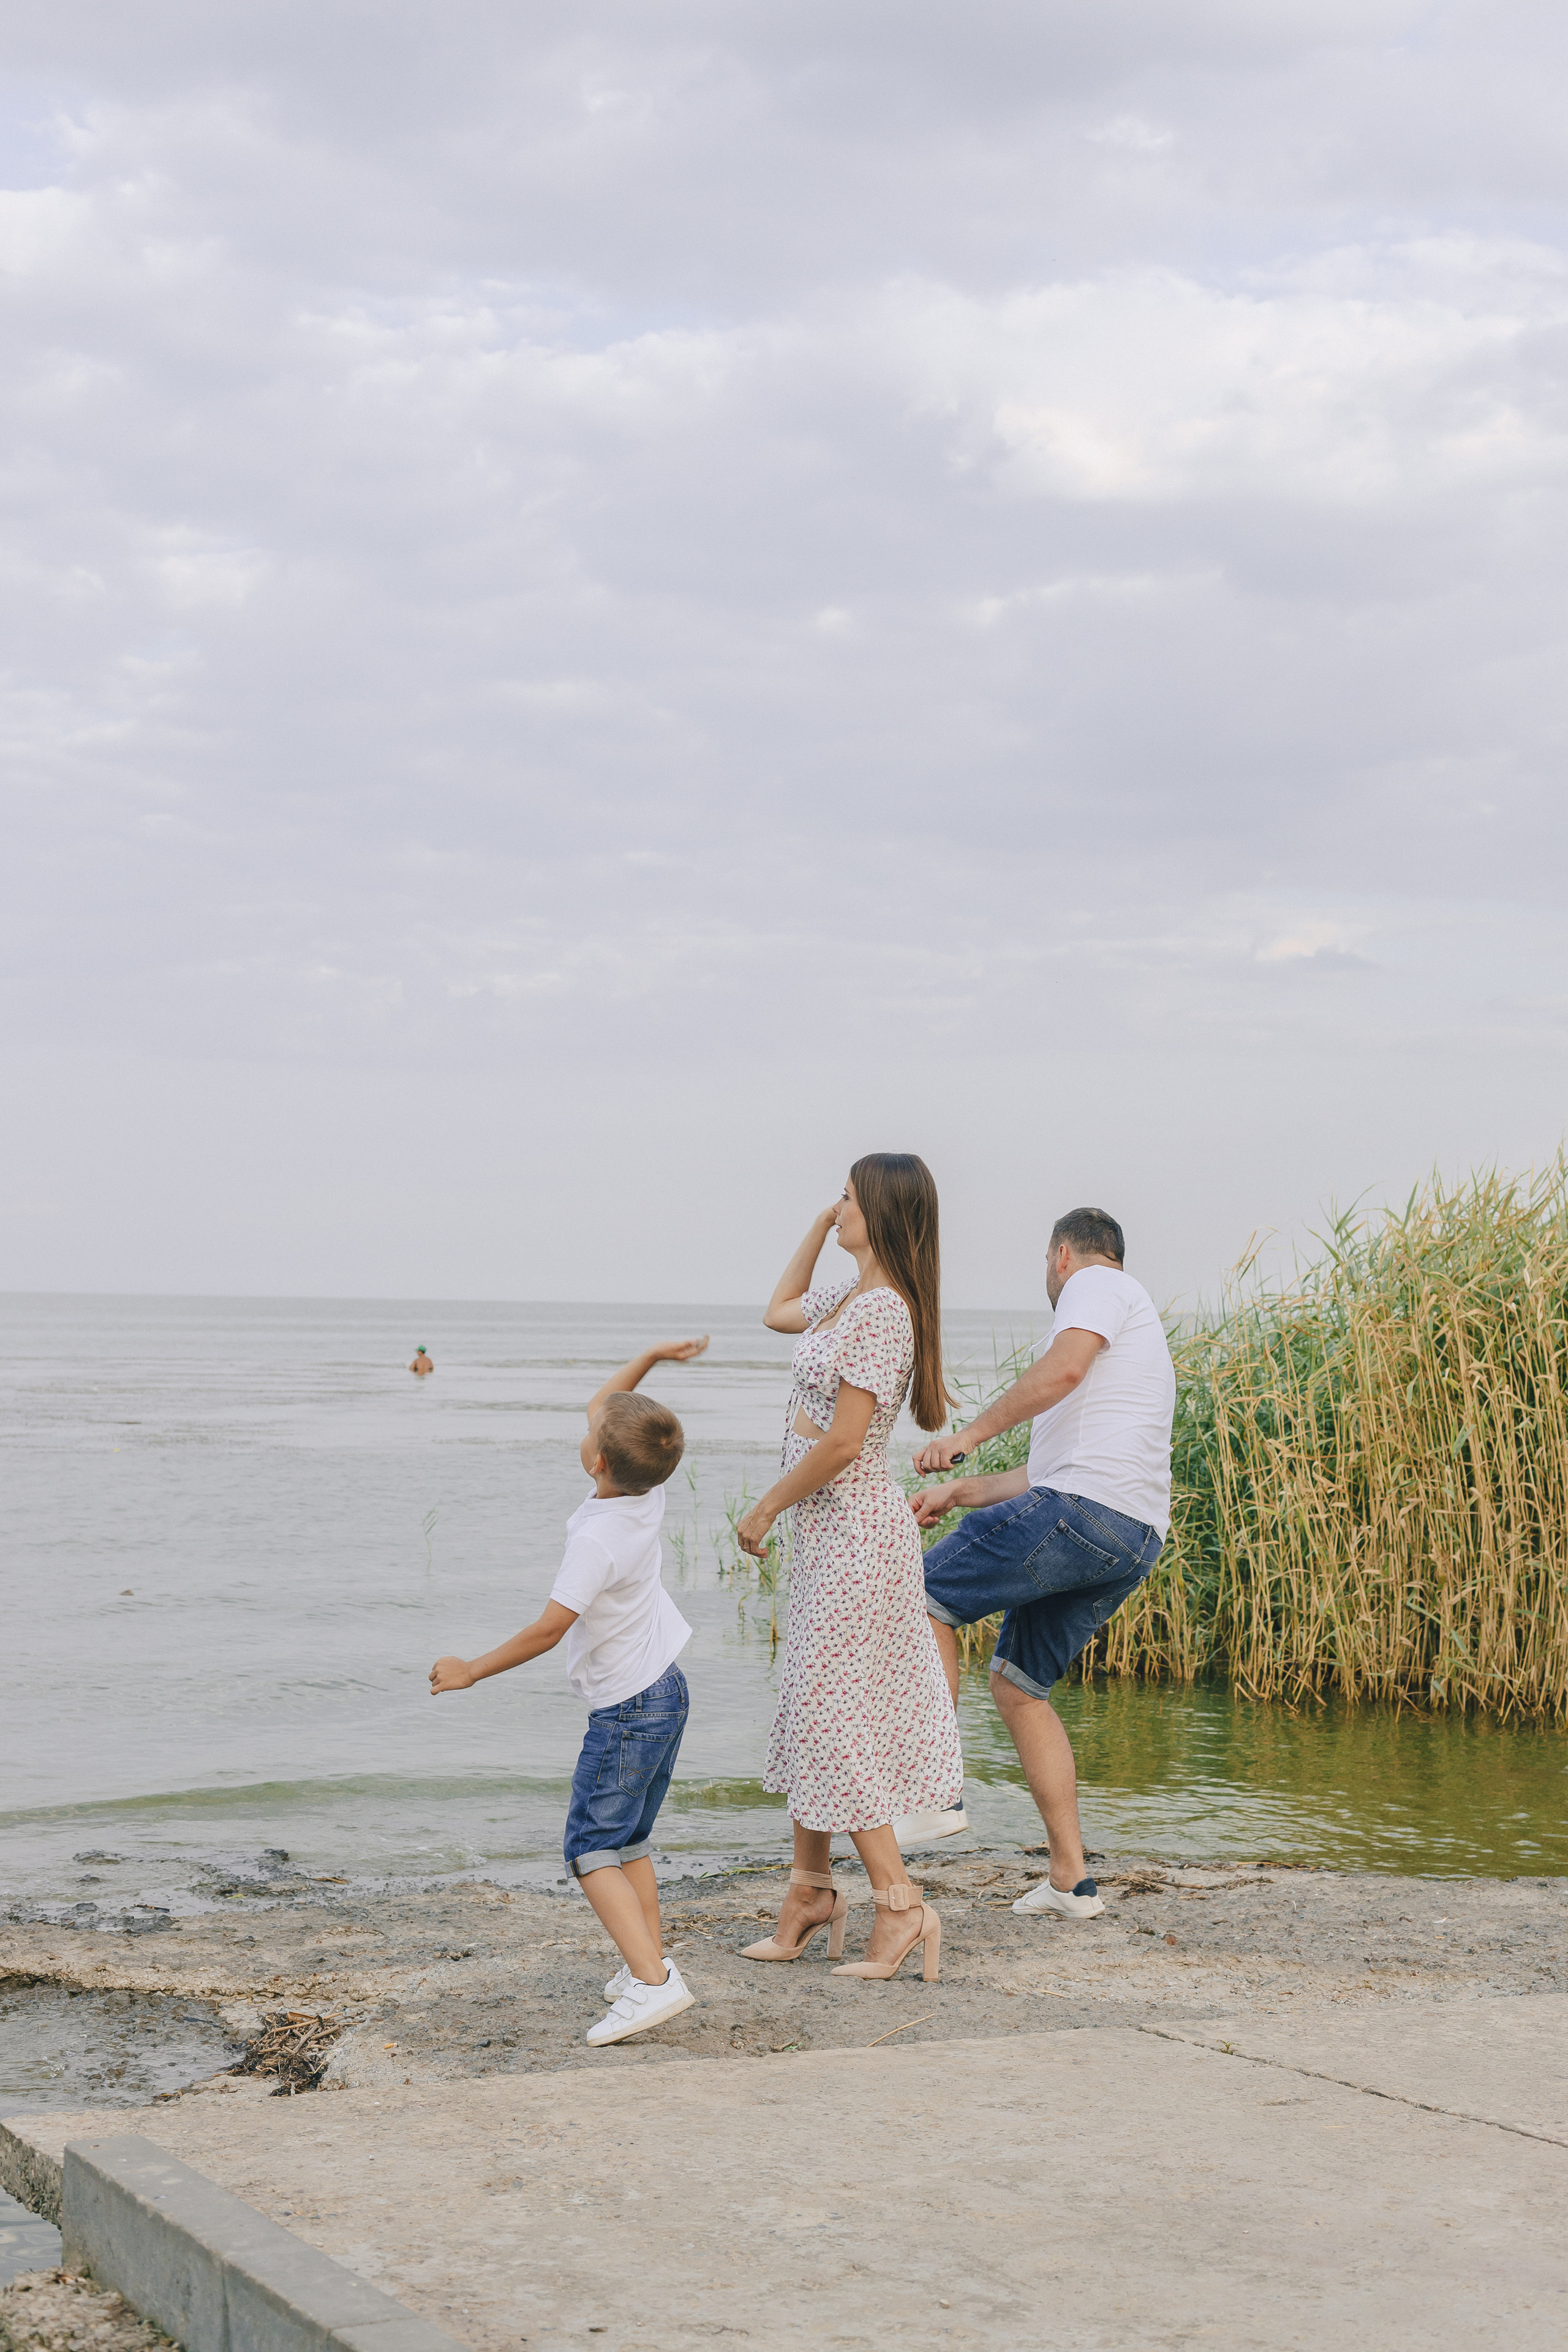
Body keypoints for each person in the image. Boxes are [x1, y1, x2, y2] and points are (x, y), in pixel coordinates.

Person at [429, 1333, 710, 2045]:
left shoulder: (597, 1540)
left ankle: (653, 1982)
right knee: (633, 1841)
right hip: (665, 1690)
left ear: (599, 1460)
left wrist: (471, 1670)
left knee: (590, 1846)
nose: (586, 1426)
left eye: (591, 1432)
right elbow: (606, 1404)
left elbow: (548, 1630)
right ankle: (644, 1962)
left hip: (628, 1710)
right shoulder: (647, 1491)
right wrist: (651, 1356)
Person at [911, 1208, 1175, 1922]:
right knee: (1020, 1685)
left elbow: (1060, 1371)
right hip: (1130, 1534)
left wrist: (966, 1435)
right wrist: (957, 1492)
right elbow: (1045, 1475)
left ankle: (934, 1788)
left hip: (1085, 1512)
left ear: (1062, 1255)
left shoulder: (1095, 1285)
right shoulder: (1135, 1329)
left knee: (922, 1593)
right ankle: (1071, 1882)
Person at [736, 1156, 961, 1984]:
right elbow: (777, 1311)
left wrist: (763, 1507)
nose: (839, 1210)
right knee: (807, 1707)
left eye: (850, 1199)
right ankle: (808, 1894)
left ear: (884, 1213)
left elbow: (841, 1442)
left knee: (835, 1716)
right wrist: (817, 1223)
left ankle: (900, 1903)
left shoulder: (884, 1314)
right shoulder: (852, 1299)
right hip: (827, 1537)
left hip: (858, 1534)